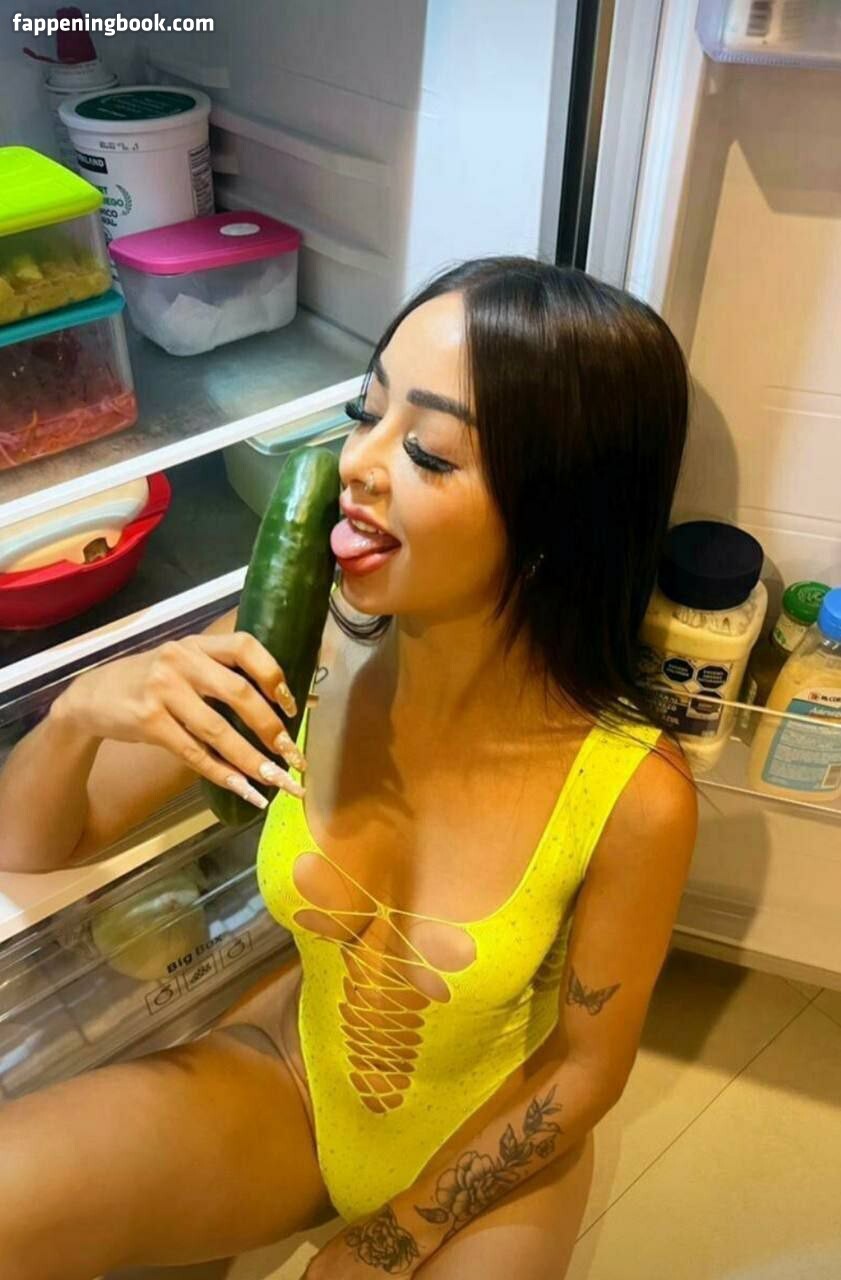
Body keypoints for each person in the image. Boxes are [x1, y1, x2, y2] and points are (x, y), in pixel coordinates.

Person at [0, 258, 698, 1280]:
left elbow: (586, 1066)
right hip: (294, 1076)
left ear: (558, 520)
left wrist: (388, 1238)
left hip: (491, 1146)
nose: (355, 463)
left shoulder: (633, 791)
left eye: (426, 451)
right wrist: (80, 712)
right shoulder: (299, 645)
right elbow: (26, 845)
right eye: (362, 413)